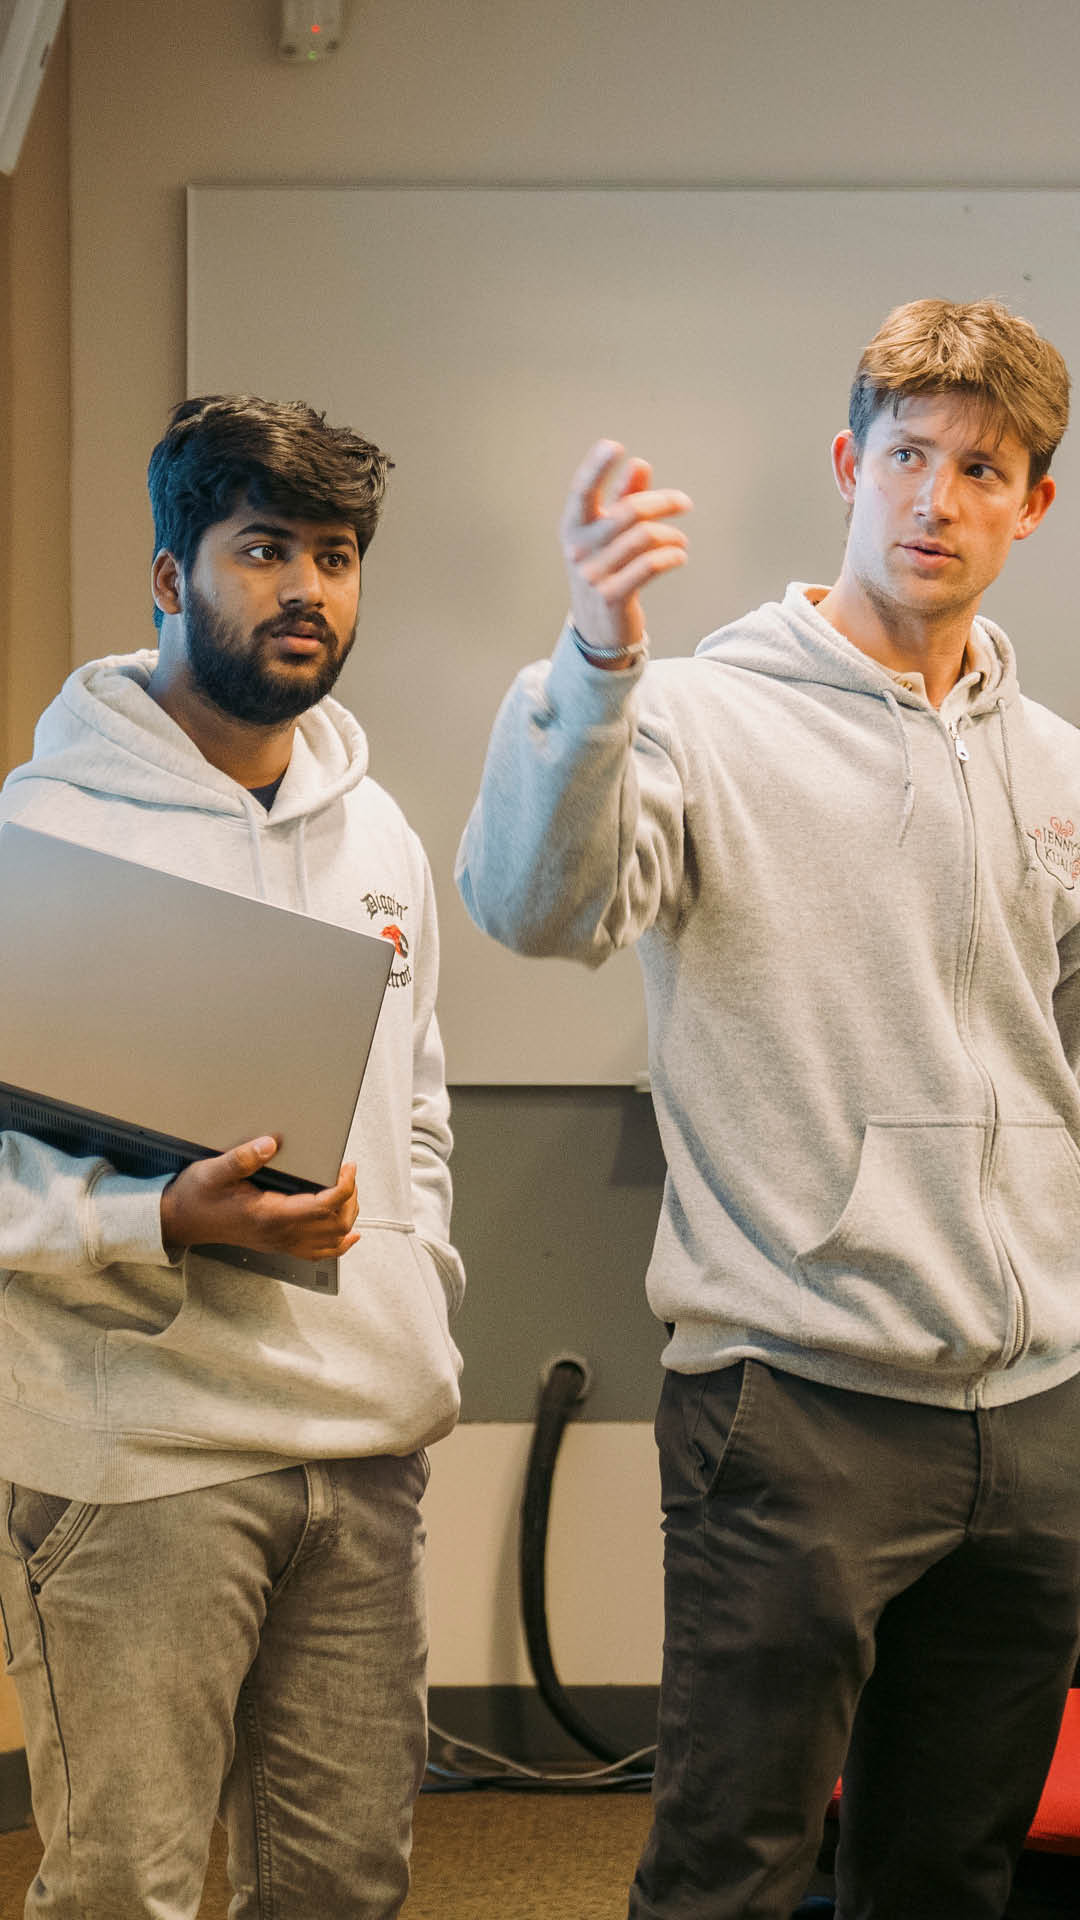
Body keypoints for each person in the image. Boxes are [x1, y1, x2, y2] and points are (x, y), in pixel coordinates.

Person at [455, 299, 1080, 1920]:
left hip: (1035, 1414)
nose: (937, 499)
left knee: (948, 1870)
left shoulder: (1053, 764)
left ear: (1035, 504)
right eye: (907, 457)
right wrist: (595, 659)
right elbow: (537, 908)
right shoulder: (698, 718)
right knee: (734, 1871)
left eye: (984, 469)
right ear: (846, 465)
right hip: (798, 1399)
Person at [0, 395, 465, 1919]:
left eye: (334, 556)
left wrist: (417, 1286)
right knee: (124, 1890)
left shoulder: (380, 834)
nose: (306, 591)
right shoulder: (46, 836)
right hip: (142, 1465)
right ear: (167, 575)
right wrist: (161, 1223)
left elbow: (416, 1114)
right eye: (263, 548)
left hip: (363, 1451)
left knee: (344, 1889)